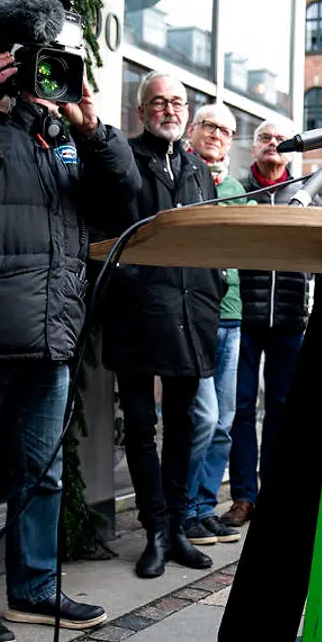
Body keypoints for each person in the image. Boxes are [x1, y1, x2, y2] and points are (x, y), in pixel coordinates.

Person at [0, 33, 140, 642]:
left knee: (42, 474)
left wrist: (94, 129)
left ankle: (36, 588)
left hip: (50, 328)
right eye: (36, 69)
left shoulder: (63, 136)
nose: (47, 80)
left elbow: (120, 200)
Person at [102, 76, 227, 579]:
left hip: (192, 311)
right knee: (139, 424)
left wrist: (214, 286)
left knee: (183, 424)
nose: (168, 109)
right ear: (142, 110)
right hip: (137, 312)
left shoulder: (199, 168)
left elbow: (214, 236)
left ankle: (176, 526)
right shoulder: (126, 157)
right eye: (158, 101)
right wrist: (130, 281)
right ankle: (155, 528)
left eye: (177, 101)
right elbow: (112, 228)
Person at [222, 118, 309, 528]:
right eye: (265, 138)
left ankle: (272, 491)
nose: (273, 143)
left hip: (290, 319)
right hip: (246, 318)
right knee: (240, 407)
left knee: (280, 407)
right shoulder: (240, 192)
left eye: (280, 139)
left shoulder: (306, 192)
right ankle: (243, 496)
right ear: (253, 147)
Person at [185, 148, 247, 551]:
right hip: (201, 318)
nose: (217, 137)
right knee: (202, 420)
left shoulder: (236, 189)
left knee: (224, 421)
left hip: (234, 319)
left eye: (224, 130)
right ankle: (186, 509)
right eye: (209, 128)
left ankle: (205, 507)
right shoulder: (191, 180)